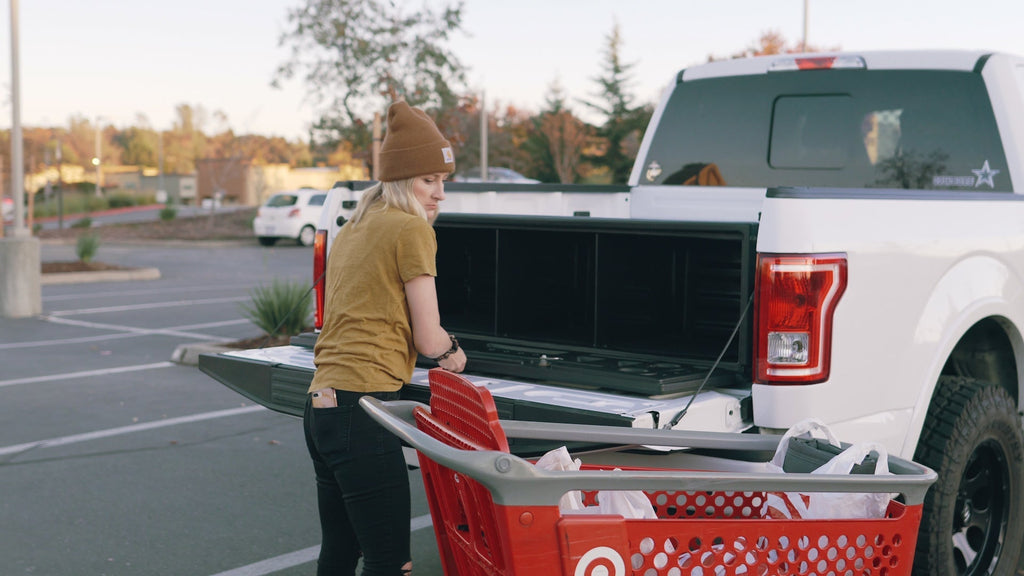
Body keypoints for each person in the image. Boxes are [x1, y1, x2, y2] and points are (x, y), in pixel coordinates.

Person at [304, 100, 467, 576]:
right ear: (401, 179)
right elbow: (430, 337)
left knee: (339, 552)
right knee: (390, 561)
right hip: (364, 410)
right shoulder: (412, 227)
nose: (439, 194)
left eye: (443, 181)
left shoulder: (357, 224)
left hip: (322, 407)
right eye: (428, 180)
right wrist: (456, 356)